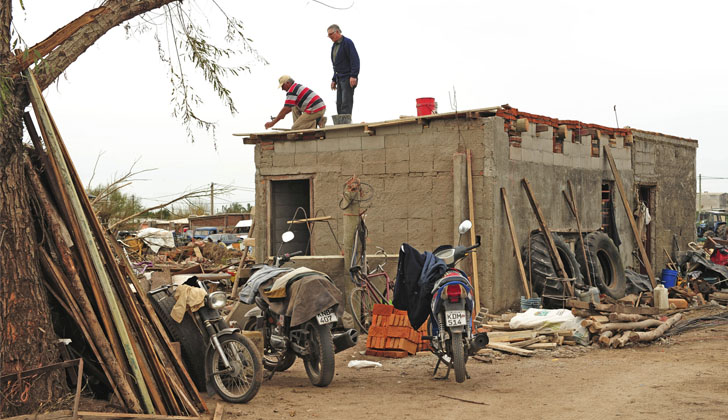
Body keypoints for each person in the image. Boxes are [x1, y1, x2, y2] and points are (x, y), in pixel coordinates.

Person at [327, 24, 360, 118]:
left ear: (337, 32)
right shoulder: (334, 46)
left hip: (347, 77)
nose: (330, 37)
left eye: (331, 34)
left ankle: (346, 126)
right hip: (339, 78)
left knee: (346, 102)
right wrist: (334, 79)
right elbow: (336, 64)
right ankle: (340, 123)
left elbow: (355, 60)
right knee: (339, 103)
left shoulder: (347, 43)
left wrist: (353, 75)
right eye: (328, 35)